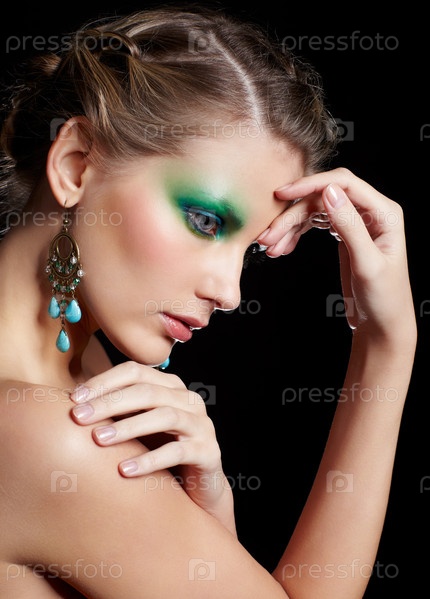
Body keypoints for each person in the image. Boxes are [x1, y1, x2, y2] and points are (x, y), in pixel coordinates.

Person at [0, 4, 417, 598]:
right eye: (205, 220)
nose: (229, 293)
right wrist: (386, 346)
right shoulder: (46, 437)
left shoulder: (78, 372)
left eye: (251, 251)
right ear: (75, 164)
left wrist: (211, 515)